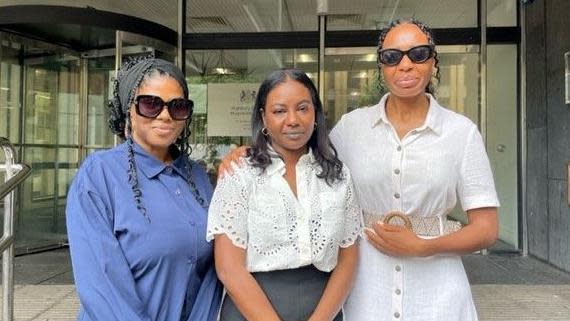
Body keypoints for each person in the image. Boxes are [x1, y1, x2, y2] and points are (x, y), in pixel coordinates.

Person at [219, 19, 500, 321]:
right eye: (392, 56)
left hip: (437, 288)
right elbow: (304, 153)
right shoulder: (352, 128)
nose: (405, 65)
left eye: (418, 54)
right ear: (381, 66)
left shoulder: (461, 132)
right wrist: (249, 152)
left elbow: (486, 229)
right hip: (367, 287)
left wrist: (422, 246)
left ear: (433, 60)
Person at [66, 57, 221, 321]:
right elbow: (101, 283)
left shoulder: (197, 176)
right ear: (129, 109)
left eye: (178, 106)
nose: (165, 115)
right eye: (150, 104)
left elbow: (212, 275)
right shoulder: (98, 175)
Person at [207, 69, 362, 321]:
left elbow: (348, 260)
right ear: (264, 118)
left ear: (315, 114)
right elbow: (228, 268)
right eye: (279, 111)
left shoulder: (338, 175)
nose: (293, 120)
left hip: (323, 310)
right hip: (252, 310)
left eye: (303, 108)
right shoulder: (240, 174)